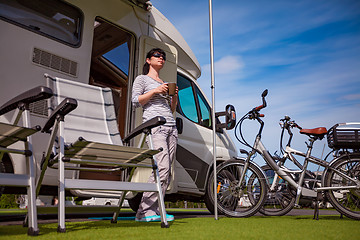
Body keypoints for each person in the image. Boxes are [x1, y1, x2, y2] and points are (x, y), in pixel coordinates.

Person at [131, 48, 178, 222]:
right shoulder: (142, 79)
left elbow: (171, 110)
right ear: (148, 60)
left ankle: (156, 210)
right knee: (162, 168)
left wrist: (174, 99)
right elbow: (135, 101)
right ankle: (143, 212)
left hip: (171, 127)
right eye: (157, 56)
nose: (161, 58)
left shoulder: (163, 82)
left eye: (163, 57)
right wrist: (155, 91)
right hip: (155, 125)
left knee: (167, 172)